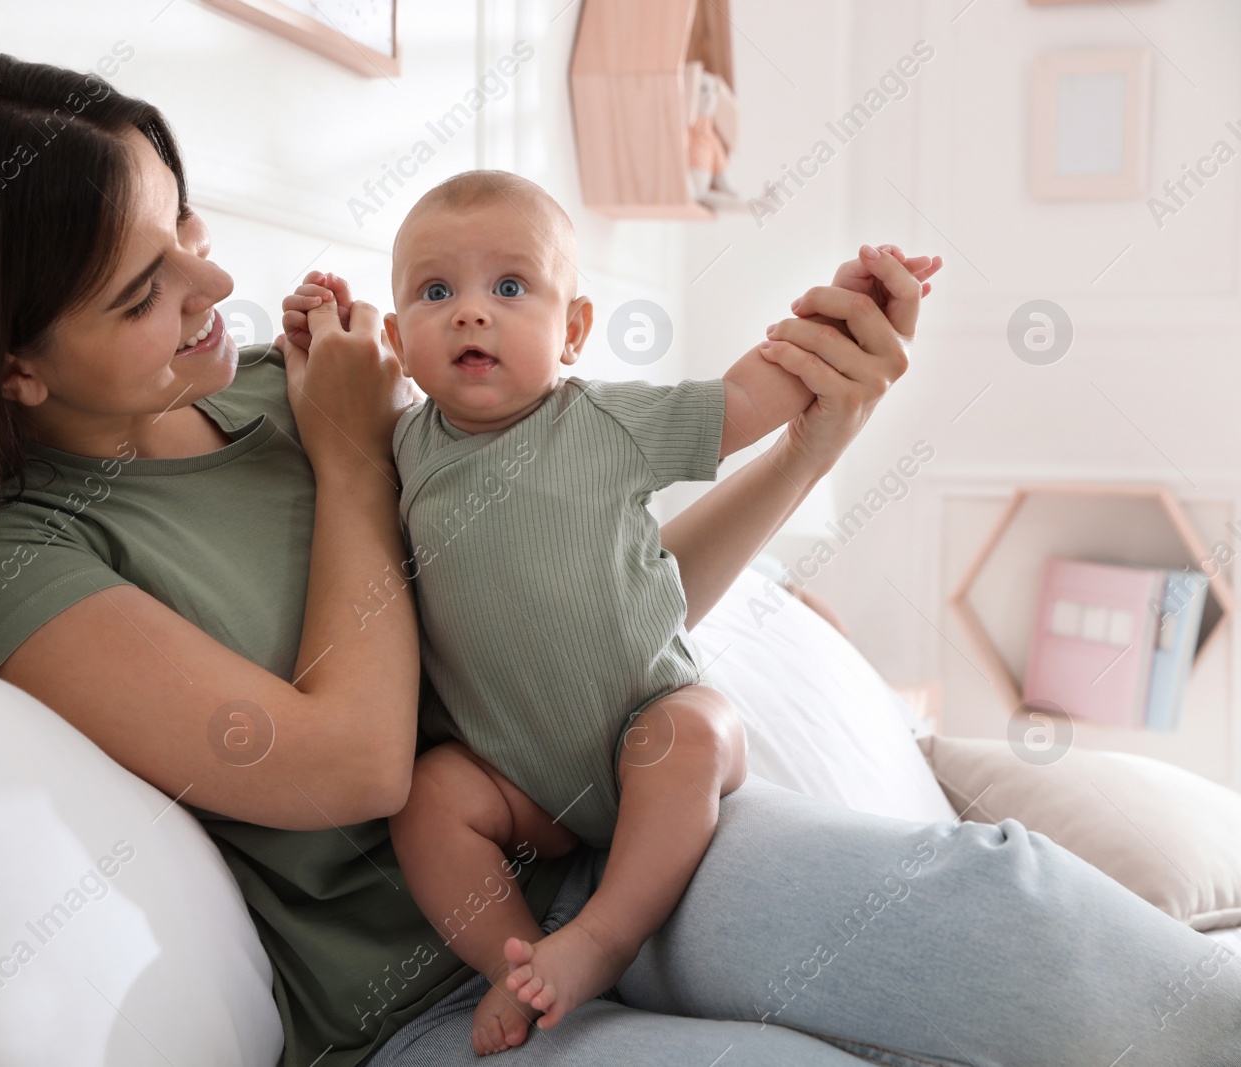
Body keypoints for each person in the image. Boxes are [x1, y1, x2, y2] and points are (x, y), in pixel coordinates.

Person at [0, 53, 1239, 1067]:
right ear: (11, 368)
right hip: (426, 995)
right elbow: (355, 765)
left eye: (190, 228)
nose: (215, 288)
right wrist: (356, 451)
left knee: (1018, 916)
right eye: (144, 287)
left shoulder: (267, 384)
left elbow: (592, 602)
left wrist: (805, 446)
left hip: (619, 835)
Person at [286, 170, 928, 1054]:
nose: (472, 312)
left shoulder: (605, 422)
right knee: (430, 799)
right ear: (398, 336)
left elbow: (746, 399)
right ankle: (514, 963)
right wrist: (320, 324)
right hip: (521, 785)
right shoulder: (399, 449)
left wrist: (837, 319)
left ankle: (603, 936)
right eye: (437, 292)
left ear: (574, 329)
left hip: (648, 731)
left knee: (693, 732)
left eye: (510, 287)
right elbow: (344, 395)